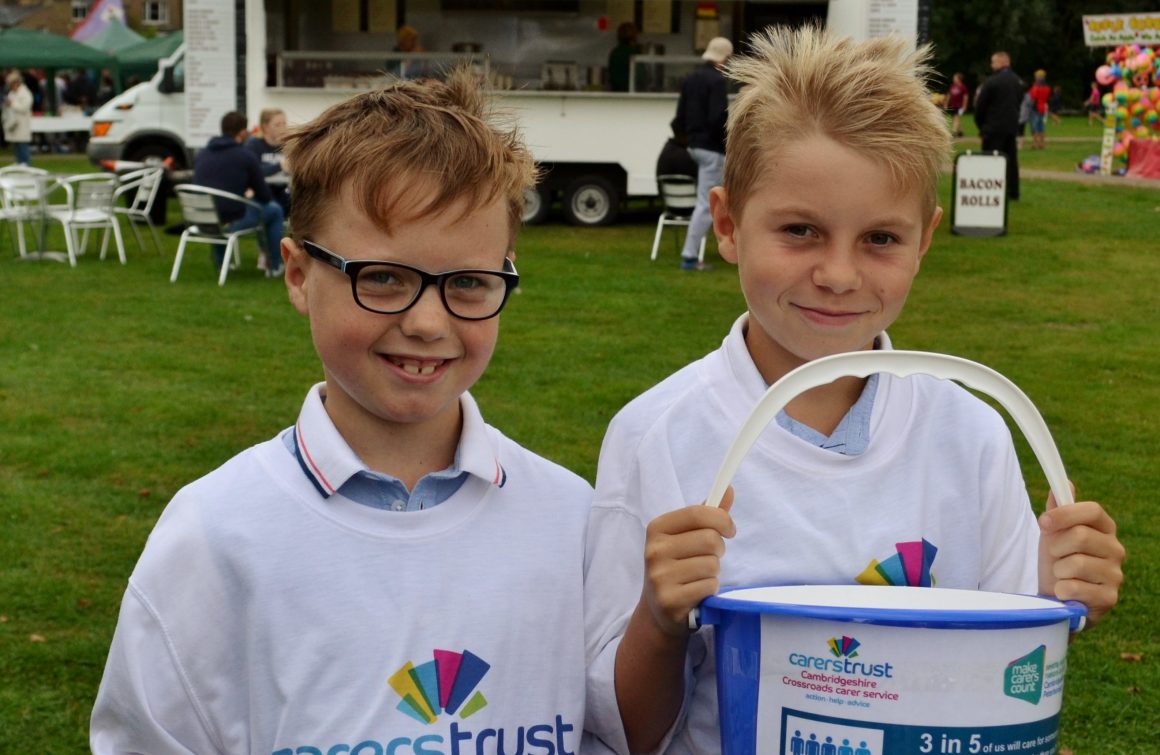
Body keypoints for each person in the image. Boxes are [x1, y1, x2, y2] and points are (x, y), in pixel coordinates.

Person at [582, 26, 1125, 755]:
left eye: (880, 239)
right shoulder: (658, 434)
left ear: (925, 239)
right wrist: (657, 619)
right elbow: (627, 735)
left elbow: (1009, 685)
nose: (839, 274)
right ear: (728, 224)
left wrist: (1055, 597)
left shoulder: (971, 433)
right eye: (800, 230)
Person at [91, 70, 602, 753]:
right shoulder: (215, 536)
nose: (426, 322)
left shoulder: (572, 520)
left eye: (469, 283)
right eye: (383, 276)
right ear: (299, 274)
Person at [192, 110, 285, 277]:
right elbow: (264, 195)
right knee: (274, 210)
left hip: (201, 218)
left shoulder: (202, 154)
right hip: (231, 220)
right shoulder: (245, 156)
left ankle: (221, 264)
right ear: (242, 133)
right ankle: (275, 266)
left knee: (220, 207)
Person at [673, 36, 732, 272]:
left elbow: (679, 117)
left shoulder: (691, 78)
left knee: (708, 201)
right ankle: (689, 256)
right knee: (706, 204)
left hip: (695, 146)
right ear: (725, 58)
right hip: (712, 149)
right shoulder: (717, 82)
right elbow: (718, 118)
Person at [974, 50, 1023, 200]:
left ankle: (991, 191)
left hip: (993, 128)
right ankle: (1013, 192)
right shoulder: (1018, 81)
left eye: (993, 62)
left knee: (990, 160)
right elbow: (1019, 102)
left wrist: (981, 125)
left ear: (1002, 62)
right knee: (1011, 161)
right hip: (1011, 127)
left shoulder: (991, 82)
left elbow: (980, 106)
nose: (991, 65)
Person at [245, 107, 292, 220]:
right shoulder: (254, 144)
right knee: (275, 206)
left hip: (284, 189)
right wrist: (279, 166)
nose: (283, 128)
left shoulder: (288, 145)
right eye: (277, 125)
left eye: (284, 123)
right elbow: (253, 171)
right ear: (265, 127)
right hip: (262, 192)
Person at [3, 70, 33, 165]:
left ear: (17, 82)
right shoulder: (12, 93)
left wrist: (12, 104)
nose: (10, 86)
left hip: (22, 124)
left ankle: (26, 165)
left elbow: (24, 107)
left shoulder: (25, 93)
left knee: (22, 146)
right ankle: (19, 164)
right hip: (13, 124)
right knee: (16, 146)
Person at [608, 21, 641, 93]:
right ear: (634, 36)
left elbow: (611, 75)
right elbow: (640, 77)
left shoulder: (615, 52)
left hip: (616, 93)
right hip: (631, 93)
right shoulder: (634, 53)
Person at [1027, 69, 1052, 150]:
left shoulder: (1036, 86)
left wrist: (1029, 107)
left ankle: (1034, 144)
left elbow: (1033, 97)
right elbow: (1047, 97)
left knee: (1034, 127)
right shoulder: (1047, 87)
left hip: (1035, 107)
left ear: (1038, 76)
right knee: (1041, 126)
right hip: (1043, 107)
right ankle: (1042, 144)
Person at [945, 71, 969, 137]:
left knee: (957, 118)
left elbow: (965, 97)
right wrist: (946, 103)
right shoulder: (952, 86)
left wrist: (964, 106)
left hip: (959, 106)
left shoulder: (963, 87)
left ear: (959, 79)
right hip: (953, 105)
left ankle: (954, 132)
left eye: (955, 78)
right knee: (955, 118)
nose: (953, 79)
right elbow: (949, 95)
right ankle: (959, 132)